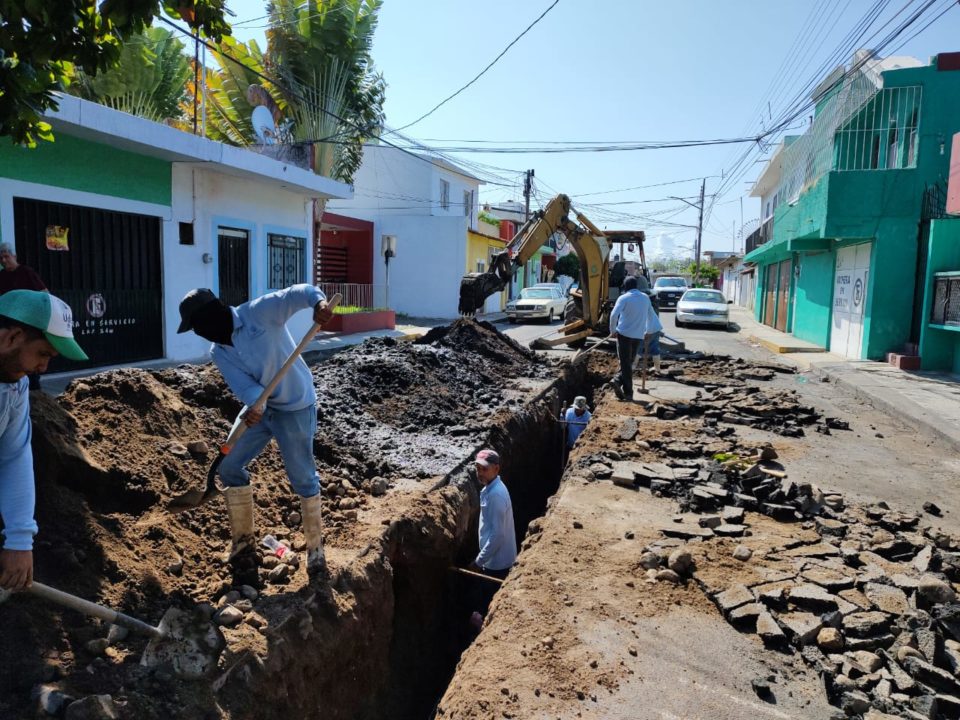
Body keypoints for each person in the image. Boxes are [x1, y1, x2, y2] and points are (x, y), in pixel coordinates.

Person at [176, 284, 333, 578]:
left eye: (197, 326)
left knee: (302, 477)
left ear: (212, 315)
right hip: (259, 410)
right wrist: (255, 403)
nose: (199, 333)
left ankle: (315, 550)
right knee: (230, 466)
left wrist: (318, 303)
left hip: (295, 406)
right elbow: (243, 384)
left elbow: (297, 293)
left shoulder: (259, 313)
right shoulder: (219, 352)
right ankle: (244, 543)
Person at [0, 290, 88, 592]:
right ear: (12, 338)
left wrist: (19, 540)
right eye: (43, 354)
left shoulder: (14, 384)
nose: (44, 368)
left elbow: (13, 455)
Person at [468, 449, 516, 630]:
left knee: (487, 601)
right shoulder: (492, 488)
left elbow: (497, 535)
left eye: (484, 469)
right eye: (478, 468)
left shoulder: (496, 495)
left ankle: (481, 631)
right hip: (494, 557)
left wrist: (478, 561)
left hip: (496, 563)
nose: (480, 473)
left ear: (496, 469)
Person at [0, 243, 48, 391]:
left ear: (14, 256)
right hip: (7, 328)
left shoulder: (26, 272)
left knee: (29, 362)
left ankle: (35, 396)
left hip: (27, 326)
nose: (3, 260)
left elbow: (45, 294)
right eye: (1, 258)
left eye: (6, 256)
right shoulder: (1, 277)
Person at [609, 276, 663, 401]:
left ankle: (626, 390)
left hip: (623, 335)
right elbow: (651, 315)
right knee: (628, 364)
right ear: (637, 286)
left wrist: (612, 331)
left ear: (625, 287)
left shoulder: (623, 298)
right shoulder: (645, 298)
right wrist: (649, 331)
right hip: (638, 336)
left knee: (625, 364)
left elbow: (613, 315)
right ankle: (620, 384)